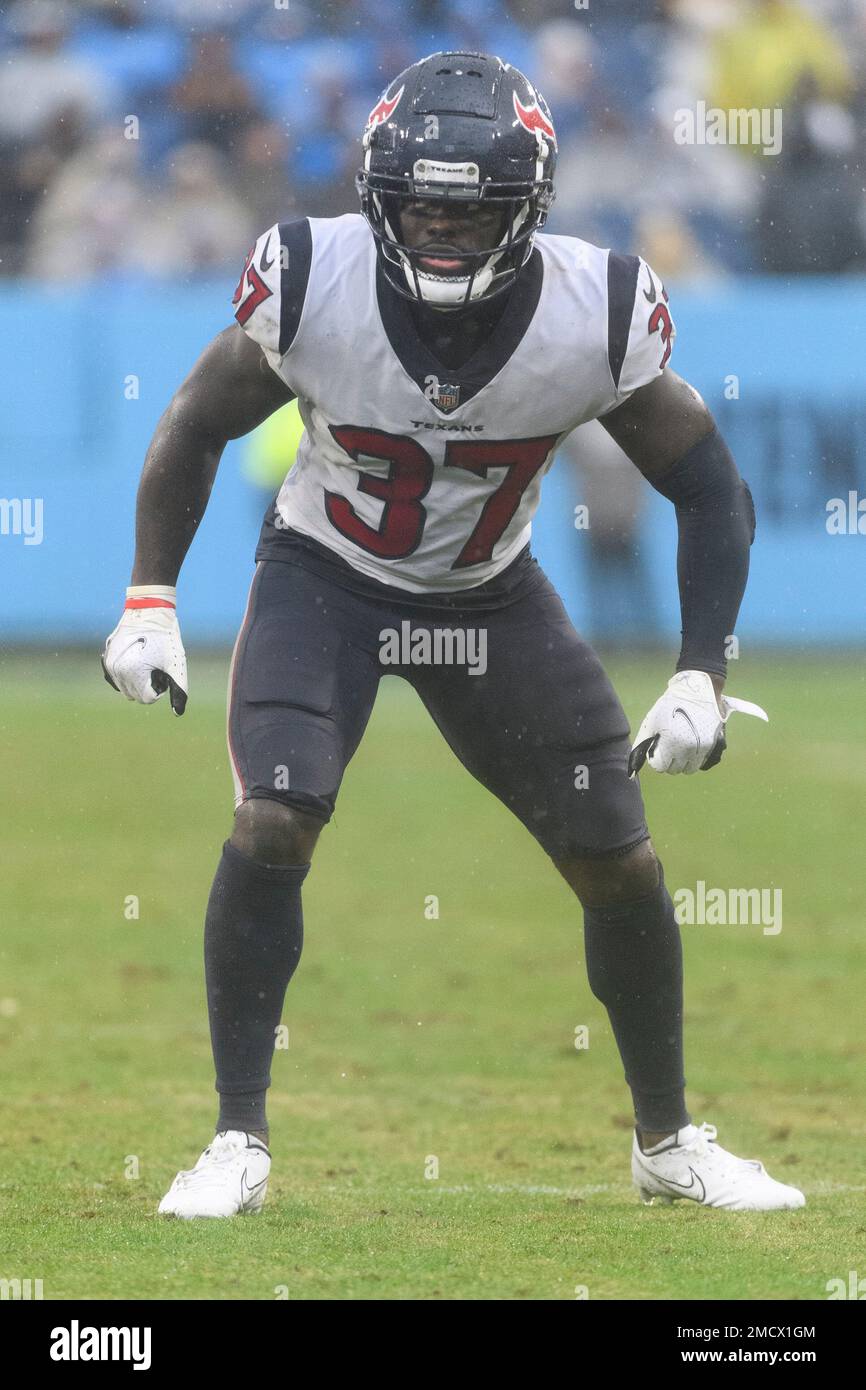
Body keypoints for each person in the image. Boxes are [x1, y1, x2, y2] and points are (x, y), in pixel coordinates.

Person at [102, 51, 804, 1217]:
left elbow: (707, 486)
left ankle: (665, 1141)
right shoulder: (309, 275)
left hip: (487, 594)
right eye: (418, 202)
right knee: (272, 818)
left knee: (615, 856)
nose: (436, 226)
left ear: (524, 211)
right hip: (325, 575)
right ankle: (236, 1139)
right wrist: (147, 597)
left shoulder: (595, 310)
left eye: (465, 207)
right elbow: (194, 422)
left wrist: (698, 673)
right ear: (377, 194)